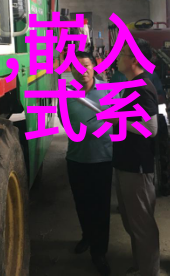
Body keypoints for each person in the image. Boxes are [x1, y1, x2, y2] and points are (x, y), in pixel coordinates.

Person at [61, 51, 113, 276]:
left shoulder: (108, 91)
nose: (83, 71)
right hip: (76, 158)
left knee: (101, 207)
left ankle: (99, 252)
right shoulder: (66, 93)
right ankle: (87, 236)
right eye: (77, 67)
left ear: (94, 67)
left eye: (87, 65)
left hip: (102, 158)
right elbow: (64, 120)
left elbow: (118, 120)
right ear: (71, 70)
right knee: (82, 203)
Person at [111, 38, 160, 276]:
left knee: (142, 225)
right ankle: (141, 265)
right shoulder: (130, 85)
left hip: (137, 168)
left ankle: (149, 271)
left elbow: (151, 128)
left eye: (122, 54)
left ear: (134, 60)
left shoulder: (142, 88)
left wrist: (117, 120)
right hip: (125, 162)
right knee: (131, 222)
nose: (118, 58)